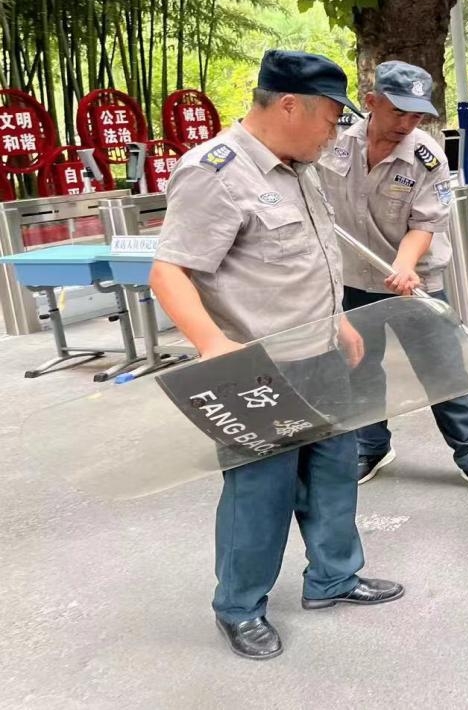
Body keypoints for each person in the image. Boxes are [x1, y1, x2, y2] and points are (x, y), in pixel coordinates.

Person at [150, 50, 404, 661]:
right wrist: (214, 346)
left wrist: (338, 322)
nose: (334, 130)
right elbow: (169, 272)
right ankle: (239, 607)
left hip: (318, 352)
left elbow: (310, 259)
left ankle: (333, 578)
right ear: (289, 104)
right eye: (328, 117)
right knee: (258, 492)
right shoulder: (216, 171)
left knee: (334, 473)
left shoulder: (299, 167)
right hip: (256, 366)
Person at [317, 60, 468, 498]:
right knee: (360, 368)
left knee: (443, 372)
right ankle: (372, 448)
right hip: (352, 277)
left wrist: (404, 265)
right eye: (399, 112)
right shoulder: (333, 142)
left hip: (415, 280)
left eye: (417, 114)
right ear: (371, 102)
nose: (408, 123)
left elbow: (425, 223)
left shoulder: (427, 156)